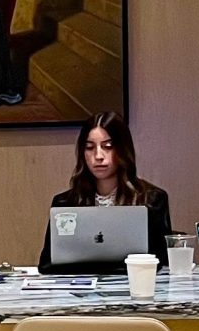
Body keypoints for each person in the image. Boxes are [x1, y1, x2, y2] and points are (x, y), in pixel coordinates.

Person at [37, 111, 171, 271]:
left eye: (108, 147)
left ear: (122, 150)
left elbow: (161, 262)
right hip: (78, 291)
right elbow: (47, 264)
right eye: (89, 148)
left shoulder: (151, 199)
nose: (98, 156)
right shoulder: (66, 202)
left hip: (134, 287)